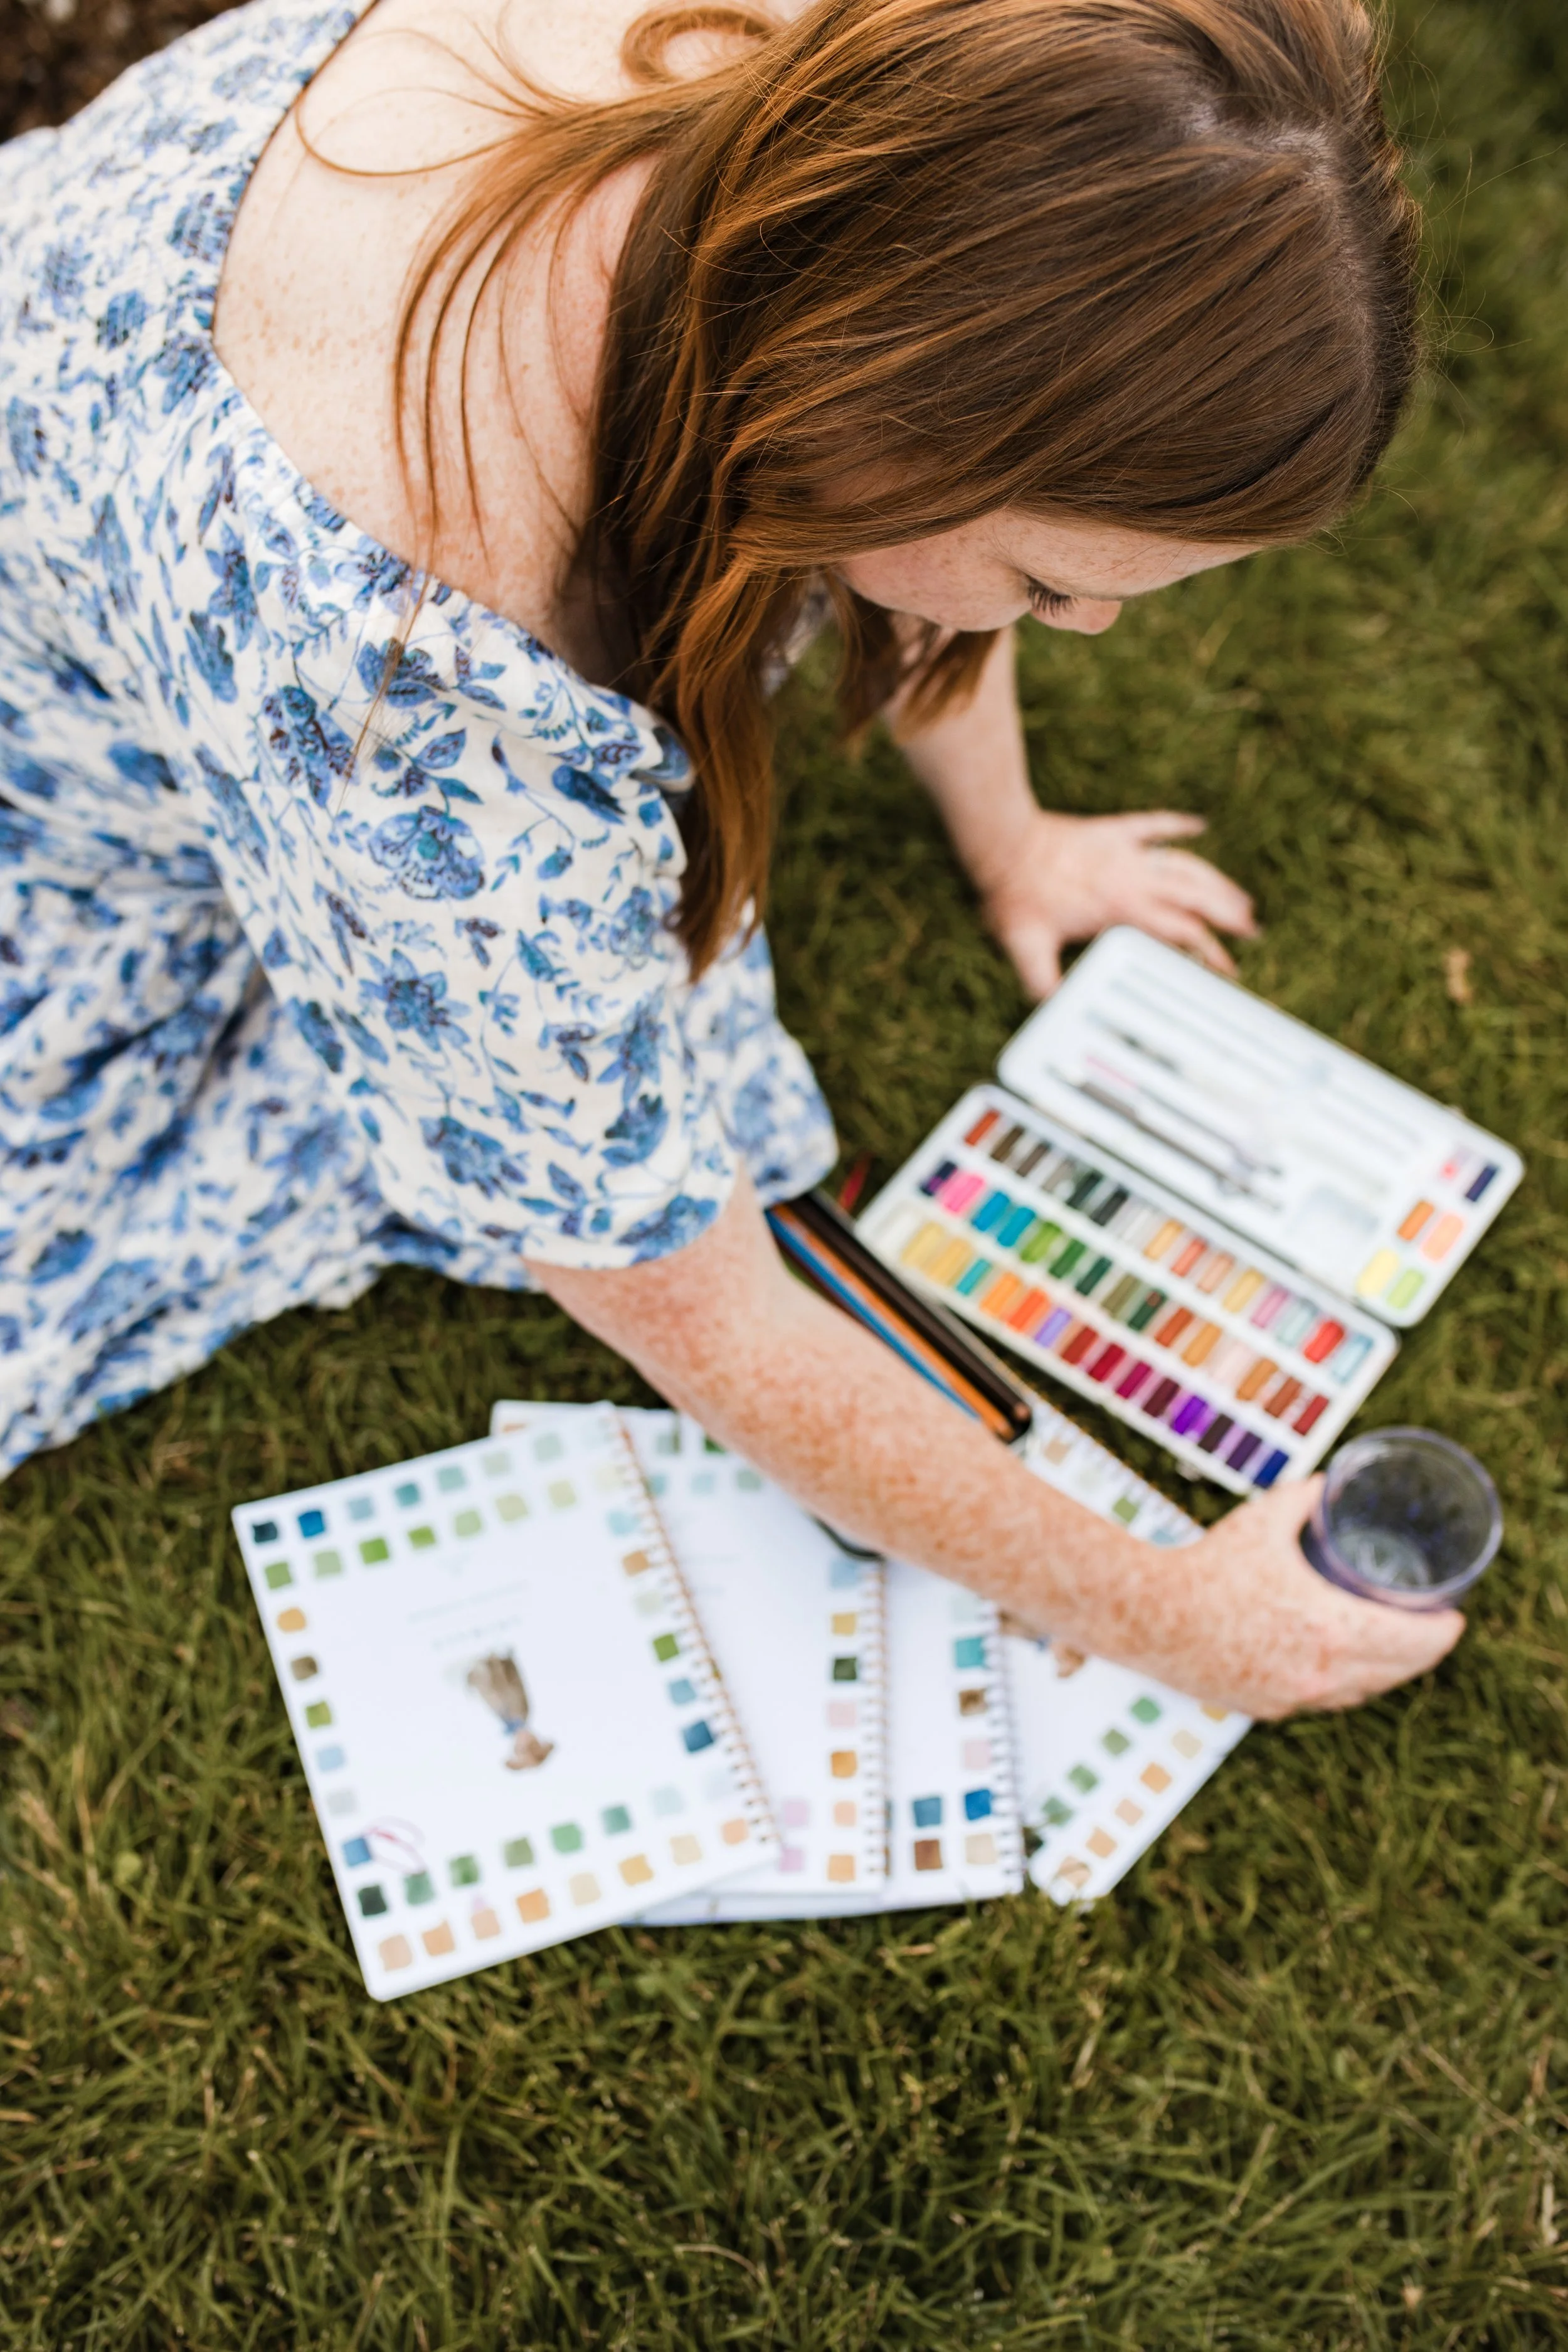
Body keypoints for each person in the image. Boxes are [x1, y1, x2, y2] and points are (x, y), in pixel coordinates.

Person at [0, 0, 1461, 1714]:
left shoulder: (878, 101)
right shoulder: (430, 708)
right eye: (1056, 584)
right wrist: (1170, 1617)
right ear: (885, 428)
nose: (1084, 627)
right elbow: (676, 1300)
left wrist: (1018, 842)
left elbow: (932, 528)